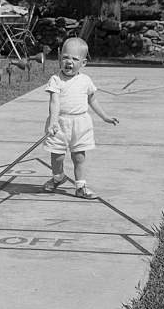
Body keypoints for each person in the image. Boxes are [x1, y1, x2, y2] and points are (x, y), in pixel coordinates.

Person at [41, 37, 119, 199]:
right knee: (57, 156)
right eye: (65, 57)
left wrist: (104, 117)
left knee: (79, 156)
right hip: (59, 123)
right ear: (59, 59)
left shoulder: (85, 80)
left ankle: (80, 186)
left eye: (75, 59)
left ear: (83, 63)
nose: (69, 62)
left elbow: (92, 100)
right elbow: (54, 102)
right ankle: (58, 177)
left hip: (80, 123)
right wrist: (53, 122)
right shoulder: (56, 80)